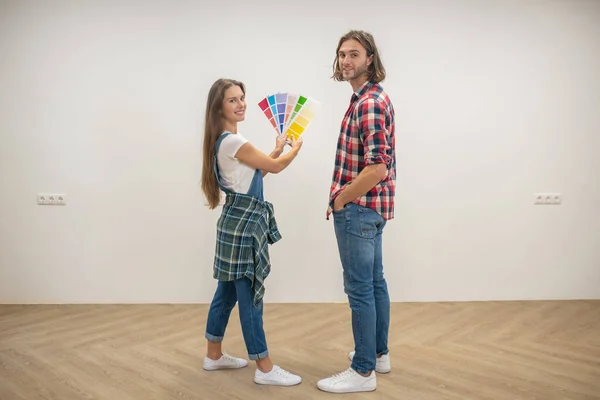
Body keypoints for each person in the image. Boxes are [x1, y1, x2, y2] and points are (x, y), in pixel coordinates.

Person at [200, 78, 303, 386]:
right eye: (233, 100)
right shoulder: (232, 141)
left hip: (235, 221)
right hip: (244, 227)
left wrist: (275, 148)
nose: (241, 103)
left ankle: (213, 355)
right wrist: (294, 150)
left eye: (242, 98)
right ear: (219, 106)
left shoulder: (228, 139)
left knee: (227, 292)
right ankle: (265, 368)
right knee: (250, 298)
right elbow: (275, 168)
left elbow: (254, 173)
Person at [317, 30, 396, 394]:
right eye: (341, 54)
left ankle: (363, 371)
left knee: (360, 289)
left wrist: (340, 200)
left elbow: (377, 167)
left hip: (360, 211)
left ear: (369, 59)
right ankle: (378, 354)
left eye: (354, 54)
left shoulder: (368, 103)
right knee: (375, 283)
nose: (346, 61)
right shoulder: (367, 98)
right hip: (371, 210)